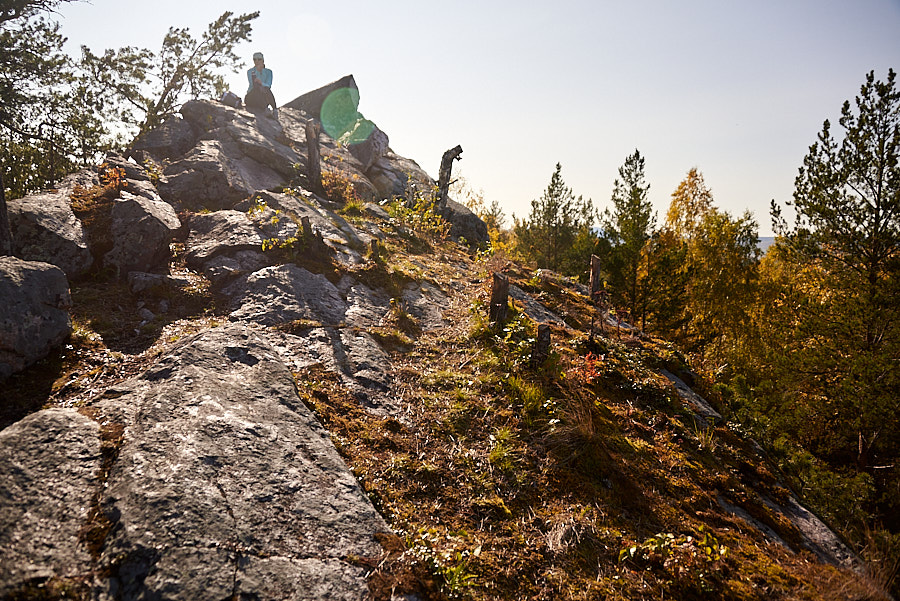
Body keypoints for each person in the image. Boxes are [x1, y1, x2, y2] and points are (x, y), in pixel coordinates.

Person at [245, 52, 277, 118]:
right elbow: (252, 84)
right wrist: (257, 71)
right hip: (251, 97)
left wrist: (261, 82)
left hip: (263, 96)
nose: (256, 61)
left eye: (259, 59)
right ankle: (265, 109)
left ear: (263, 60)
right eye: (254, 59)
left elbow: (268, 85)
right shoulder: (250, 71)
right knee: (257, 87)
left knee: (265, 88)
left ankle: (274, 109)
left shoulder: (268, 72)